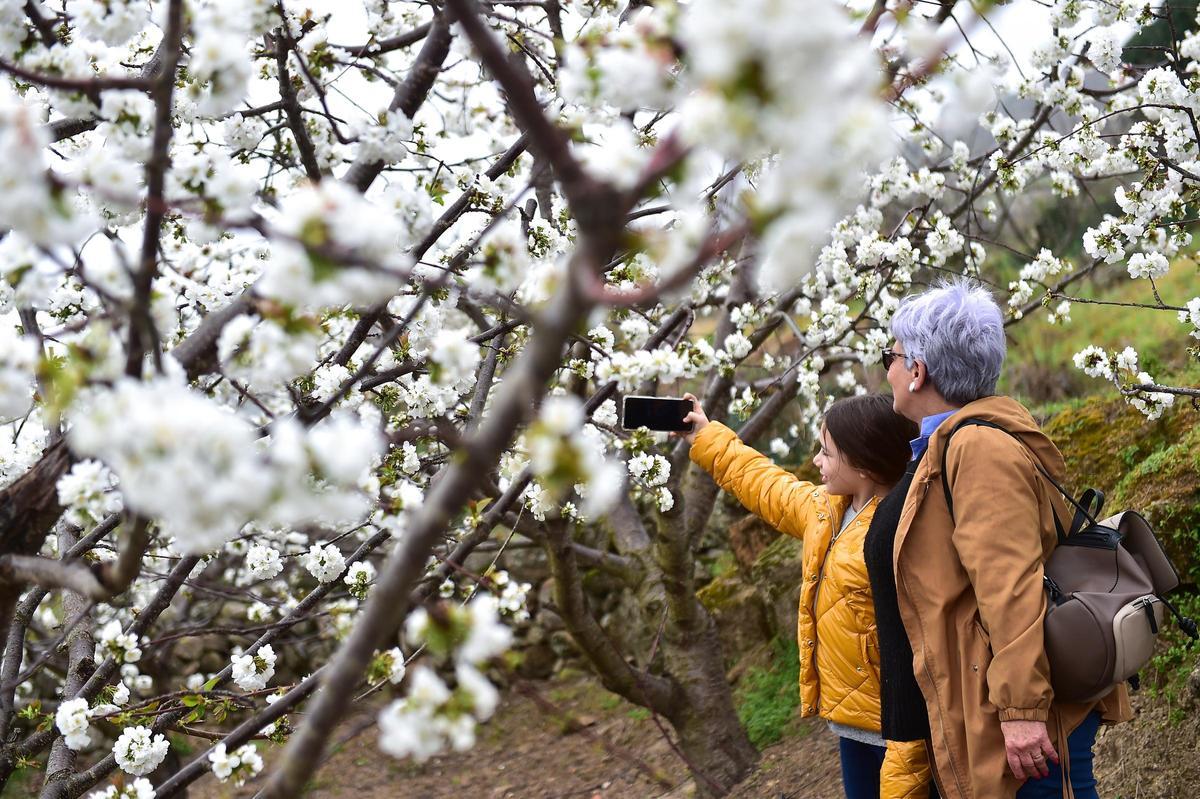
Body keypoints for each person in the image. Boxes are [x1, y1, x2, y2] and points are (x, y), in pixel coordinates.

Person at [877, 279, 1131, 799]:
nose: (888, 370)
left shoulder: (977, 449)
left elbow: (1009, 584)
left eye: (892, 356)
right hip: (992, 699)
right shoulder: (956, 442)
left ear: (918, 371)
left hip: (1020, 715)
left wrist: (1021, 711)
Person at [682, 391, 933, 799]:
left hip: (898, 725)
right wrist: (706, 435)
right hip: (850, 720)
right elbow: (766, 485)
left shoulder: (901, 529)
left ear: (864, 464)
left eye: (827, 453)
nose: (816, 460)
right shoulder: (827, 508)